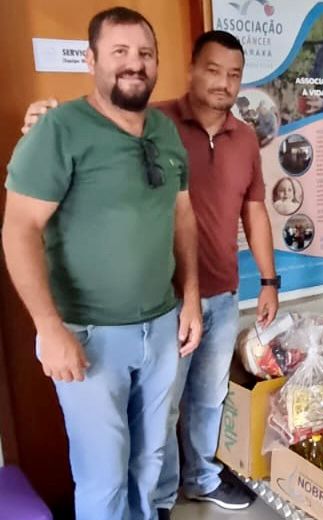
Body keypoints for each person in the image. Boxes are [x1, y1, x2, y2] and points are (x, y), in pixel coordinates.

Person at [23, 31, 280, 517]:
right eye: (213, 70)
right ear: (191, 68)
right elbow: (94, 120)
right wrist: (44, 122)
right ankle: (161, 499)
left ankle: (200, 477)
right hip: (162, 303)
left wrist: (268, 281)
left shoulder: (244, 137)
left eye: (234, 74)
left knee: (209, 398)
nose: (223, 83)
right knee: (156, 419)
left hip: (221, 294)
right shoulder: (154, 120)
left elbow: (254, 210)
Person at [4, 8, 202, 520]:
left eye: (145, 53)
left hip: (161, 327)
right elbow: (18, 229)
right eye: (120, 52)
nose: (134, 63)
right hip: (88, 335)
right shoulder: (59, 130)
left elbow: (182, 217)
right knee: (104, 475)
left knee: (151, 460)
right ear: (91, 60)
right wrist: (49, 328)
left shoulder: (165, 131)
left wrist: (191, 299)